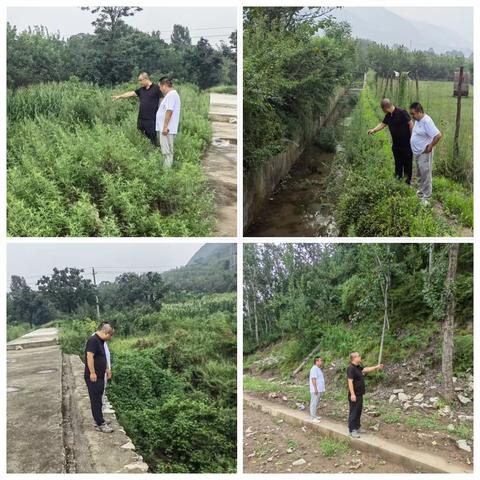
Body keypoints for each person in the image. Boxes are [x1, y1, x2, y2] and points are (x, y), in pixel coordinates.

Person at [368, 98, 413, 185]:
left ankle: (407, 183)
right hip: (396, 146)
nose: (383, 111)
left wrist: (412, 138)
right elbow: (383, 124)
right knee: (398, 164)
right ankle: (398, 180)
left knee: (407, 164)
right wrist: (374, 130)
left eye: (383, 109)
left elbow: (410, 123)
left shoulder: (402, 112)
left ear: (385, 108)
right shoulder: (389, 115)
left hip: (406, 145)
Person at [112, 72, 162, 145]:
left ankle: (154, 154)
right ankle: (143, 153)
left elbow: (163, 100)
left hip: (151, 120)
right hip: (141, 120)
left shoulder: (156, 88)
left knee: (152, 141)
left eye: (140, 80)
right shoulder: (141, 90)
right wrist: (119, 96)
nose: (139, 82)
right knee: (141, 139)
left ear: (146, 79)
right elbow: (131, 93)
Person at [409, 102, 443, 205]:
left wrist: (431, 146)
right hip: (418, 152)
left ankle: (427, 197)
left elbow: (438, 135)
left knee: (426, 174)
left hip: (425, 152)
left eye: (413, 114)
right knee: (420, 173)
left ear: (419, 112)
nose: (412, 116)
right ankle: (421, 192)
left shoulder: (427, 121)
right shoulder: (418, 120)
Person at [84, 323, 115, 433]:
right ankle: (99, 424)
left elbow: (103, 357)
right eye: (109, 336)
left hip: (101, 375)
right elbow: (89, 356)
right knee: (96, 400)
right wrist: (92, 372)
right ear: (106, 332)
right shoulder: (93, 340)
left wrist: (107, 369)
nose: (109, 338)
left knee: (99, 398)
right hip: (94, 377)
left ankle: (100, 419)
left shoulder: (101, 341)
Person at [347, 352, 384, 438]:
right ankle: (352, 430)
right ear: (354, 358)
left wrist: (376, 367)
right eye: (359, 356)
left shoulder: (357, 367)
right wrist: (352, 394)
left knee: (358, 411)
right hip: (354, 395)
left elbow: (366, 369)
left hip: (359, 394)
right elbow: (350, 382)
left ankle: (357, 427)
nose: (360, 357)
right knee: (353, 412)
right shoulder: (351, 368)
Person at [156, 77, 181, 168]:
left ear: (165, 85)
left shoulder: (171, 95)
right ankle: (166, 169)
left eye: (160, 87)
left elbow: (169, 111)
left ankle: (166, 172)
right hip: (167, 129)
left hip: (167, 129)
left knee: (167, 152)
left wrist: (165, 127)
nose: (160, 89)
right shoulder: (172, 94)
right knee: (167, 151)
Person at [309, 356, 325, 422]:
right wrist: (315, 388)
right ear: (316, 361)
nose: (322, 362)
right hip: (316, 389)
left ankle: (314, 415)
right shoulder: (314, 368)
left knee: (316, 402)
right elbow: (313, 379)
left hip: (318, 389)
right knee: (314, 403)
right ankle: (313, 418)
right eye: (320, 360)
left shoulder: (318, 368)